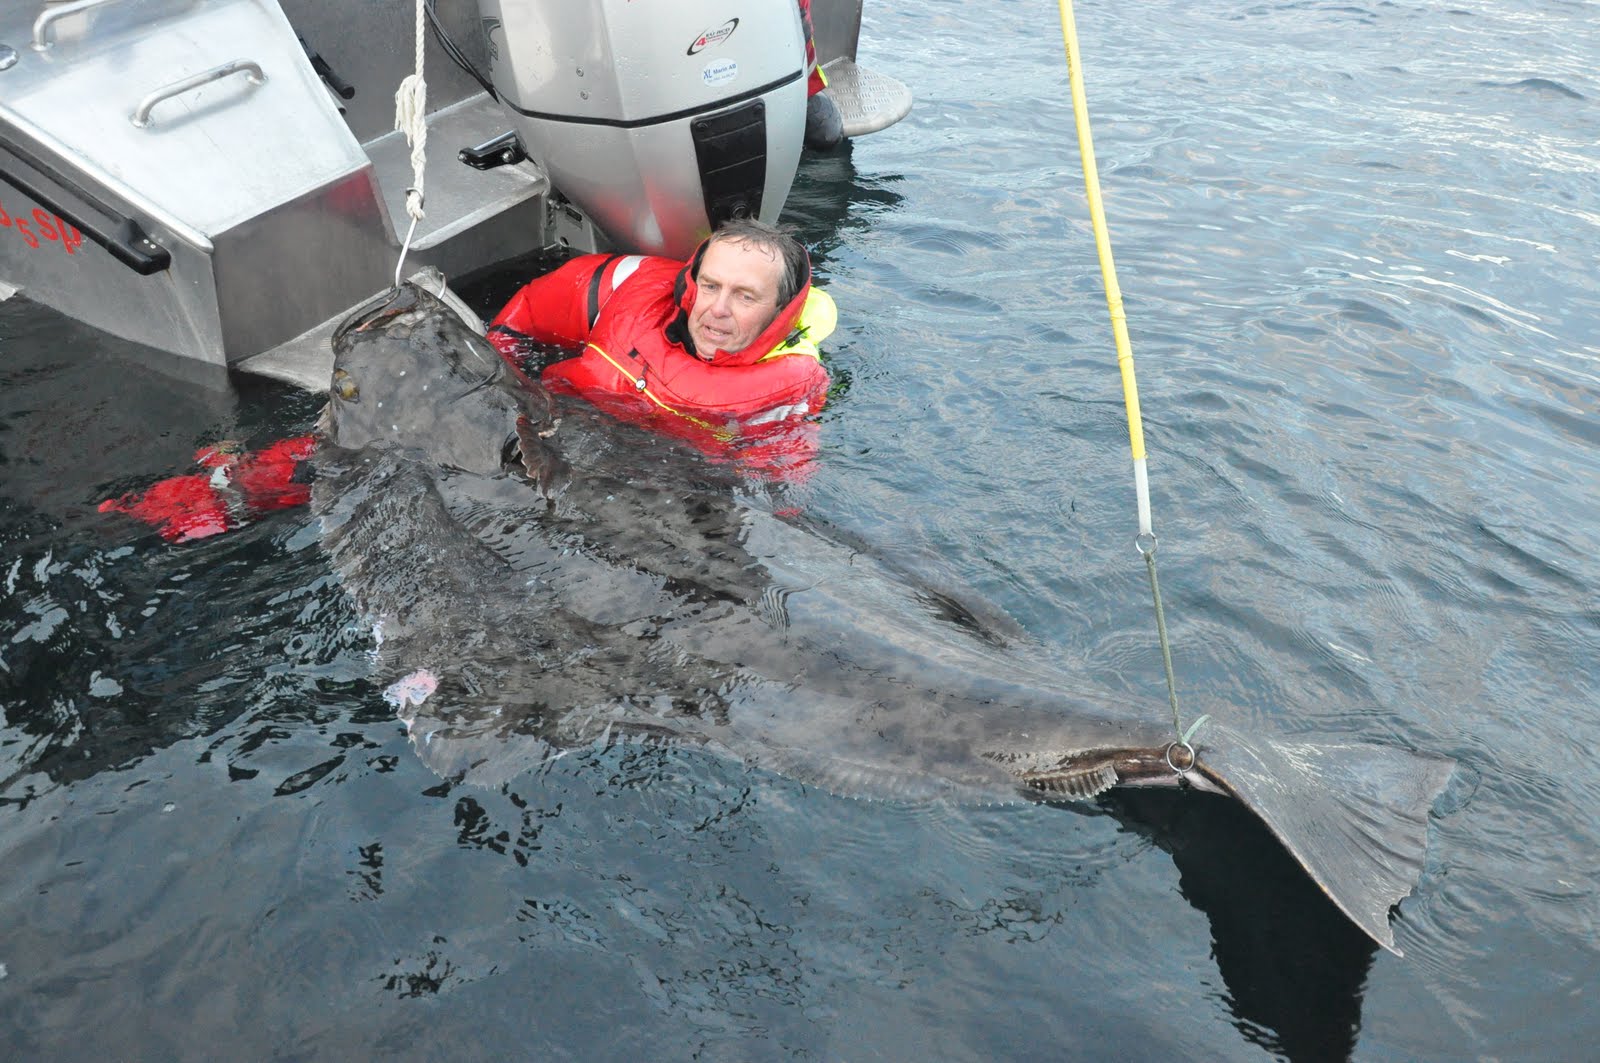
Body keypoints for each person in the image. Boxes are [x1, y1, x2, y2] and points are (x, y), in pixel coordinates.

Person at [488, 219, 835, 474]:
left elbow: (780, 501)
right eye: (710, 286)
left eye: (745, 296)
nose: (718, 309)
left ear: (781, 311)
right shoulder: (627, 290)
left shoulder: (787, 393)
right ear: (690, 284)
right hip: (556, 430)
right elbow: (527, 313)